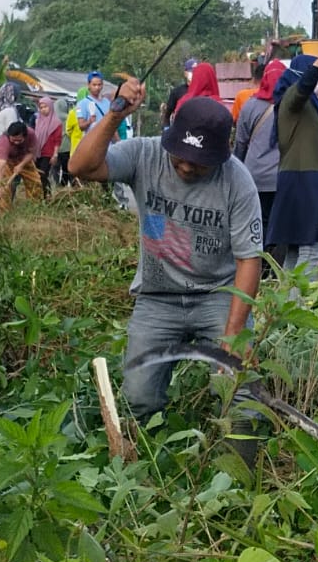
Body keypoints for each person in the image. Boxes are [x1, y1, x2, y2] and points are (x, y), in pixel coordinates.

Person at [67, 83, 263, 420]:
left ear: (221, 154)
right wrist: (115, 114)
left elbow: (249, 260)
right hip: (157, 298)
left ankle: (240, 466)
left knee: (241, 393)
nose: (187, 167)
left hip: (217, 295)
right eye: (181, 157)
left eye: (199, 163)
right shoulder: (144, 154)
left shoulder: (238, 182)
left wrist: (234, 333)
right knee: (137, 400)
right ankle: (143, 464)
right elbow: (80, 167)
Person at [267, 51, 318, 270]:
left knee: (294, 250)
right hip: (304, 181)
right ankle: (297, 301)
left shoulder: (310, 107)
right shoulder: (291, 98)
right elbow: (304, 87)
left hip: (305, 180)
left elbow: (314, 138)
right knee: (312, 249)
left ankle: (288, 302)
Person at [233, 57, 287, 254]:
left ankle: (262, 268)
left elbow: (241, 143)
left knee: (260, 222)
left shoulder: (249, 106)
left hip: (255, 177)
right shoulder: (293, 106)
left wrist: (236, 170)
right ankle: (279, 271)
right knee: (281, 223)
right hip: (285, 176)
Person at [0, 120, 42, 211]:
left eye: (19, 140)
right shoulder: (3, 142)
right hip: (8, 161)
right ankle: (3, 212)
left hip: (25, 158)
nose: (16, 142)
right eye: (13, 140)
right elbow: (1, 165)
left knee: (35, 182)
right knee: (4, 188)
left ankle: (35, 208)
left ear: (25, 135)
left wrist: (21, 165)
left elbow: (32, 153)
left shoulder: (31, 134)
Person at [33, 95, 63, 193]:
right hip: (38, 153)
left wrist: (55, 154)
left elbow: (57, 140)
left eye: (45, 107)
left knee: (43, 174)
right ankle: (40, 195)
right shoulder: (38, 121)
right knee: (37, 175)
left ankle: (47, 195)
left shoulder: (56, 122)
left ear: (50, 107)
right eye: (41, 108)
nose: (43, 110)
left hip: (48, 153)